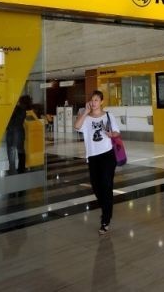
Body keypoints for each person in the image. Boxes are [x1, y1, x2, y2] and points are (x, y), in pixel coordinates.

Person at [74, 90, 120, 235]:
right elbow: (76, 126)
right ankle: (106, 210)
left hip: (108, 155)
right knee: (96, 187)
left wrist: (111, 134)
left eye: (96, 100)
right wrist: (85, 112)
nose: (93, 103)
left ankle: (105, 219)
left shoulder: (108, 116)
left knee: (106, 185)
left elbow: (117, 132)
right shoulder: (86, 118)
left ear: (101, 102)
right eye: (92, 100)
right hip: (93, 156)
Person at [6, 95, 31, 174]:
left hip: (14, 130)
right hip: (17, 130)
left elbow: (15, 121)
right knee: (17, 149)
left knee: (12, 149)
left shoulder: (19, 109)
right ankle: (19, 168)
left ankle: (14, 169)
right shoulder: (21, 109)